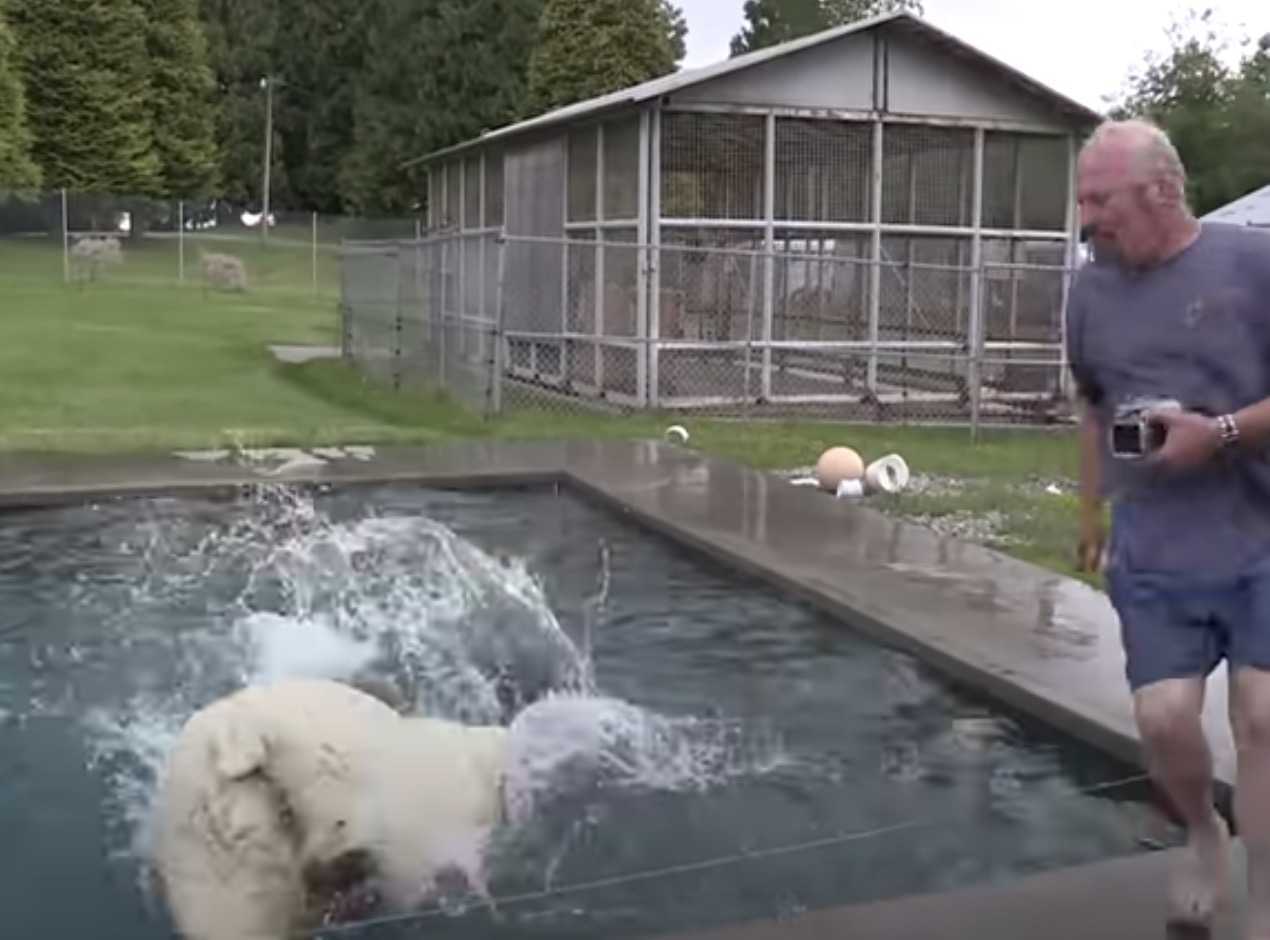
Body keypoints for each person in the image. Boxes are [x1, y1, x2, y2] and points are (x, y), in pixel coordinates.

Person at [1065, 117, 1270, 936]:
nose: (1086, 219)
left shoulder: (1254, 264)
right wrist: (1089, 511)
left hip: (1262, 530)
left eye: (1100, 199)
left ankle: (1265, 892)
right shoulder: (1089, 290)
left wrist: (1217, 432)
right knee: (1162, 720)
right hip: (1155, 536)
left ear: (1161, 192)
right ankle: (1200, 832)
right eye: (1082, 200)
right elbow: (1090, 406)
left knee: (1262, 717)